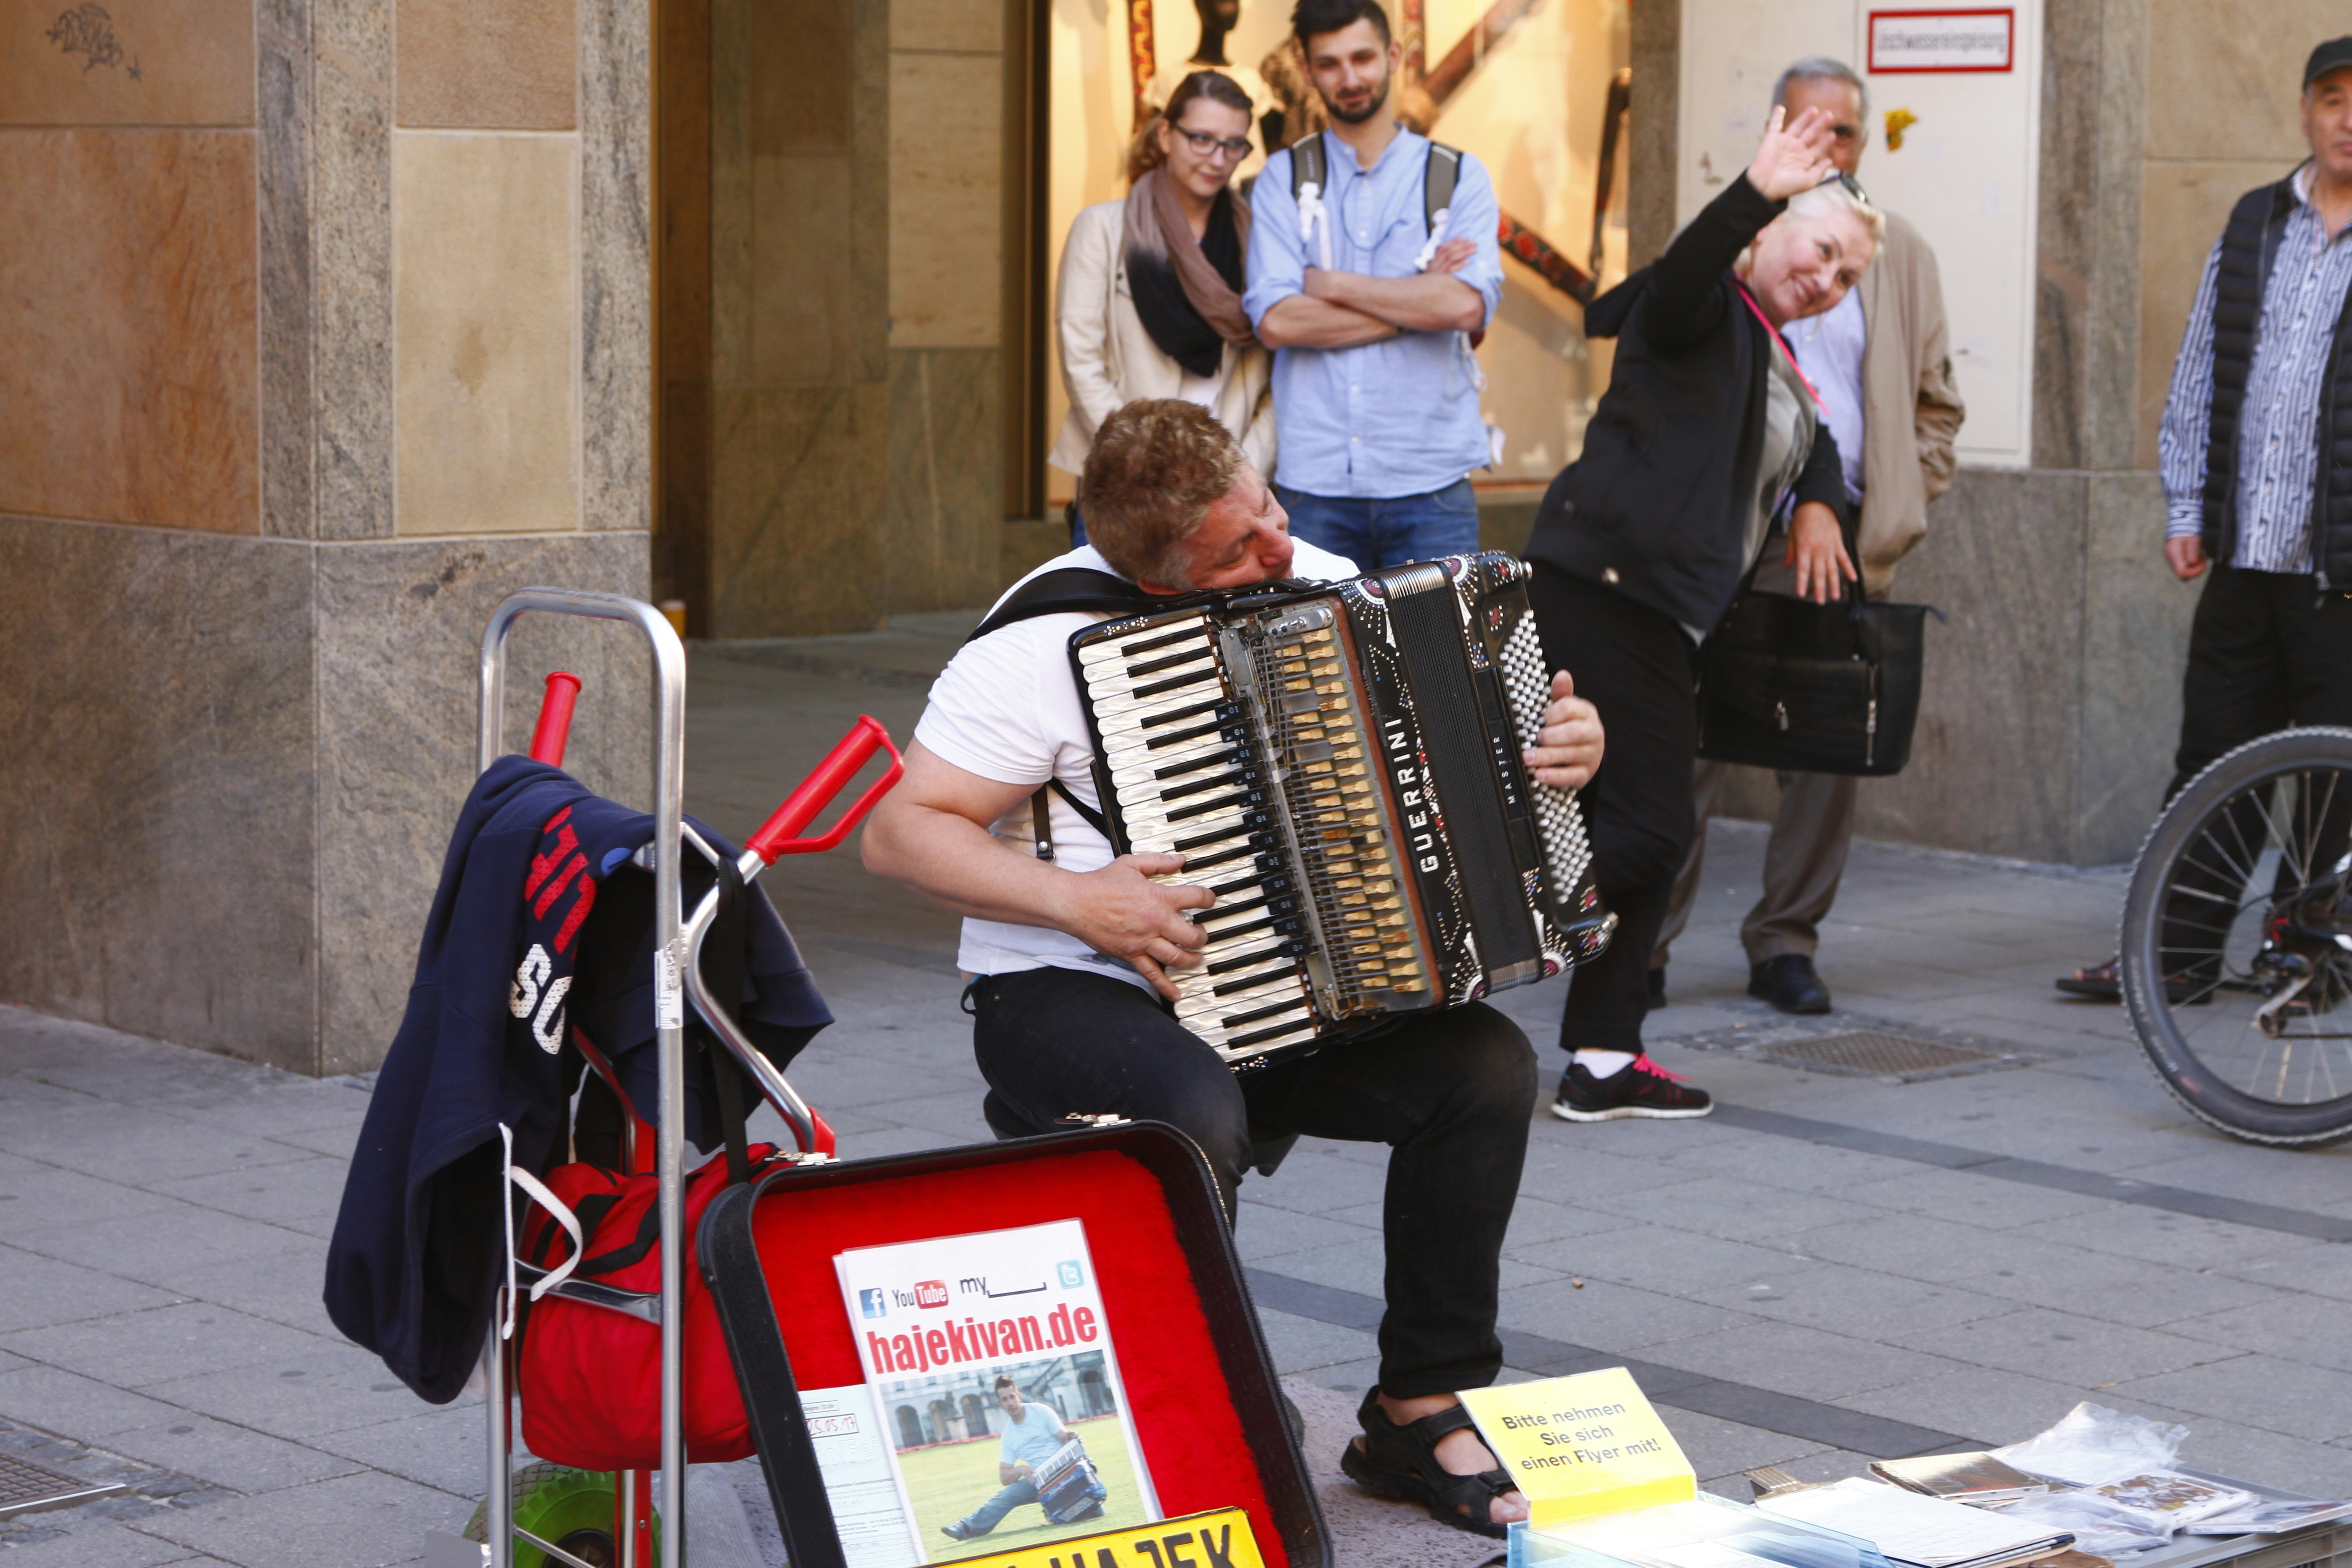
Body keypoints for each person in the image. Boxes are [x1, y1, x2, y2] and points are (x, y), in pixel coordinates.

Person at [863, 398, 1606, 1538]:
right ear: (1159, 578)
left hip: (1272, 994)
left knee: (1486, 1069)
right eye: (1235, 548)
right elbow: (899, 831)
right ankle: (1178, 1414)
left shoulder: (1304, 568)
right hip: (1061, 991)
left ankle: (1414, 1406)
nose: (1275, 547)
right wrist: (1077, 897)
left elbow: (1434, 752)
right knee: (1193, 1111)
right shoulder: (1031, 645)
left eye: (1262, 506)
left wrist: (1560, 745)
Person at [1520, 105, 1882, 1122]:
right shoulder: (1702, 308)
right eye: (1820, 253)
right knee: (1647, 825)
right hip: (1610, 587)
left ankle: (1602, 1055)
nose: (1828, 280)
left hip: (1659, 609)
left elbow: (1798, 432)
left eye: (1848, 277)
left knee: (1640, 821)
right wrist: (1751, 192)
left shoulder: (1773, 349)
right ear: (1767, 233)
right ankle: (1494, 912)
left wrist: (1821, 496)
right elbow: (1680, 282)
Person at [1651, 58, 1964, 1017]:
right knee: (1682, 748)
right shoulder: (1730, 238)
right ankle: (1645, 948)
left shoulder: (1896, 249)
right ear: (1779, 129)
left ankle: (1785, 943)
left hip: (1842, 549)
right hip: (1719, 542)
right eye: (1812, 129)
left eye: (1847, 135)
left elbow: (1937, 401)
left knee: (1825, 755)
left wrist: (1897, 503)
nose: (1829, 150)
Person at [2057, 38, 2352, 1002]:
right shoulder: (2257, 219)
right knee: (2211, 761)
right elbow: (2199, 370)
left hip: (2339, 570)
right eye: (2333, 98)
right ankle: (2176, 956)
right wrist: (2188, 505)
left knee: (2334, 778)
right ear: (2305, 110)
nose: (2349, 117)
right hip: (2243, 555)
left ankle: (2306, 954)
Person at [1241, 0, 1503, 571]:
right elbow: (1280, 321)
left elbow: (1464, 303)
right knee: (1314, 663)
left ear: (1392, 56)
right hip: (1315, 487)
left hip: (1430, 482)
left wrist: (1327, 283)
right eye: (1330, 64)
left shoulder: (1458, 176)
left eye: (1363, 57)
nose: (1351, 78)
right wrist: (1416, 297)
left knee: (1441, 662)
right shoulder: (1282, 180)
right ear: (1309, 73)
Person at [1053, 71, 1275, 547]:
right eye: (1203, 140)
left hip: (1228, 484)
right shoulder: (1103, 228)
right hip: (1125, 485)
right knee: (1117, 622)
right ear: (1167, 135)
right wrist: (1148, 463)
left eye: (1234, 145)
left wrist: (1240, 466)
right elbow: (1080, 360)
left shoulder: (1260, 239)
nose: (1219, 160)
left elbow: (1282, 370)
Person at [940, 1376, 1100, 1542]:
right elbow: (1004, 1477)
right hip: (1038, 1481)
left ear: (1019, 1397)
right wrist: (1021, 1469)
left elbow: (1064, 1438)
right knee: (1007, 1495)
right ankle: (965, 1527)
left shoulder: (1041, 1411)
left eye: (1012, 1397)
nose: (1010, 1403)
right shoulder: (1009, 1436)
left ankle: (1057, 1510)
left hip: (1065, 1474)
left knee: (1095, 1513)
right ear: (1000, 1404)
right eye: (1005, 1399)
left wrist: (1071, 1436)